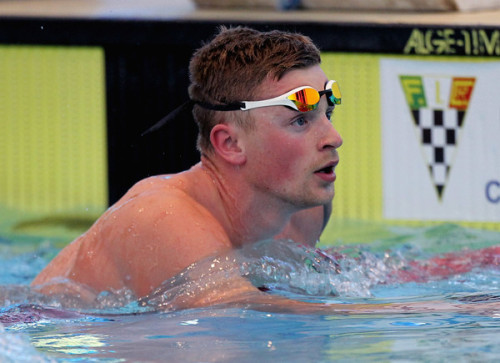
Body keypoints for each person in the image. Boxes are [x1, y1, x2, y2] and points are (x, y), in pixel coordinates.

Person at [32, 27, 499, 315]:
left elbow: (316, 284)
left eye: (326, 113)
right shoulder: (161, 218)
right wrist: (441, 310)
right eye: (300, 120)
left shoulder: (302, 211)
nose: (332, 137)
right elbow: (240, 312)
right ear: (229, 143)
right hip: (44, 325)